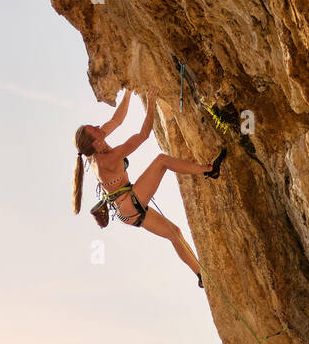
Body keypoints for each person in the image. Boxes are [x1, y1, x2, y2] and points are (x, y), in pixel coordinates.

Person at [72, 89, 227, 285]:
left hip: (127, 209)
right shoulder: (106, 160)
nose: (97, 125)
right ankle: (209, 170)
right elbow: (143, 135)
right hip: (129, 204)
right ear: (94, 142)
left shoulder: (96, 145)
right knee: (161, 161)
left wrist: (128, 92)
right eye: (93, 128)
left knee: (175, 234)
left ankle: (201, 276)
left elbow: (118, 119)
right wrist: (151, 102)